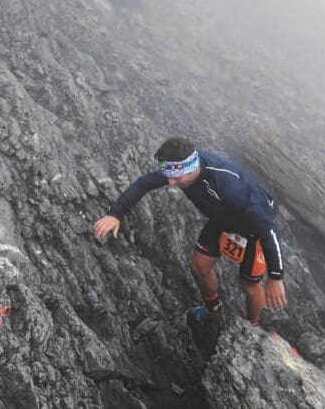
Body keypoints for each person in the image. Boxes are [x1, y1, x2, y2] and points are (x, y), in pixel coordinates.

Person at [93, 136, 286, 326]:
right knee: (199, 266)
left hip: (254, 228)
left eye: (176, 178)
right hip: (223, 218)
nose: (171, 183)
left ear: (192, 167)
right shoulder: (177, 169)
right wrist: (115, 214)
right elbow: (144, 183)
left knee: (250, 286)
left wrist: (276, 277)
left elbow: (268, 230)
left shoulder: (228, 186)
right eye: (168, 176)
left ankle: (252, 327)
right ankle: (212, 308)